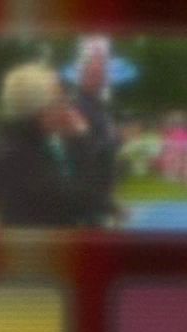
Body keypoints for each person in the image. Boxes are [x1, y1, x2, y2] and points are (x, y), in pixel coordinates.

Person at [0, 63, 103, 228]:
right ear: (42, 109)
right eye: (60, 101)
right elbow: (87, 203)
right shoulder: (23, 158)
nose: (67, 108)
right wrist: (81, 142)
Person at [64, 38, 123, 227]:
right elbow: (84, 152)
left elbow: (101, 142)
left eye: (103, 75)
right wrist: (113, 141)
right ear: (82, 77)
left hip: (102, 190)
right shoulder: (78, 108)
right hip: (88, 195)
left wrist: (116, 138)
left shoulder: (99, 106)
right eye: (95, 75)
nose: (101, 80)